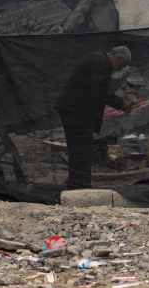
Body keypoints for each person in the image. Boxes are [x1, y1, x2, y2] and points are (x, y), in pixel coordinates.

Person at [54, 46, 135, 189]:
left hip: (76, 111)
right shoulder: (99, 62)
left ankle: (77, 182)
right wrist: (120, 103)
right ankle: (79, 185)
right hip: (75, 111)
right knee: (82, 149)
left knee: (81, 148)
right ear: (118, 58)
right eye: (122, 65)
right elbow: (99, 90)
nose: (121, 69)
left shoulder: (98, 60)